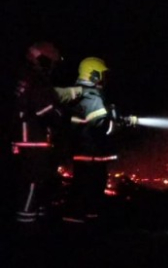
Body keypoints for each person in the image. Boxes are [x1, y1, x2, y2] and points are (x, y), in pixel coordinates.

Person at [10, 41, 83, 231]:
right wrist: (66, 116)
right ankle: (26, 229)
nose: (53, 67)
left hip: (29, 142)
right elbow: (46, 111)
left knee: (37, 184)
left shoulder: (26, 77)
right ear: (42, 60)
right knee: (34, 184)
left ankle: (34, 225)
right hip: (33, 143)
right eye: (51, 62)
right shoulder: (36, 79)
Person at [63, 56, 135, 224]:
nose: (104, 79)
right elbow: (101, 124)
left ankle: (82, 223)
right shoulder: (92, 96)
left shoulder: (81, 94)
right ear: (94, 74)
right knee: (90, 190)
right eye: (102, 74)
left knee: (83, 190)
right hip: (91, 155)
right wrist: (117, 125)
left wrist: (117, 118)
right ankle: (80, 226)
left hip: (85, 152)